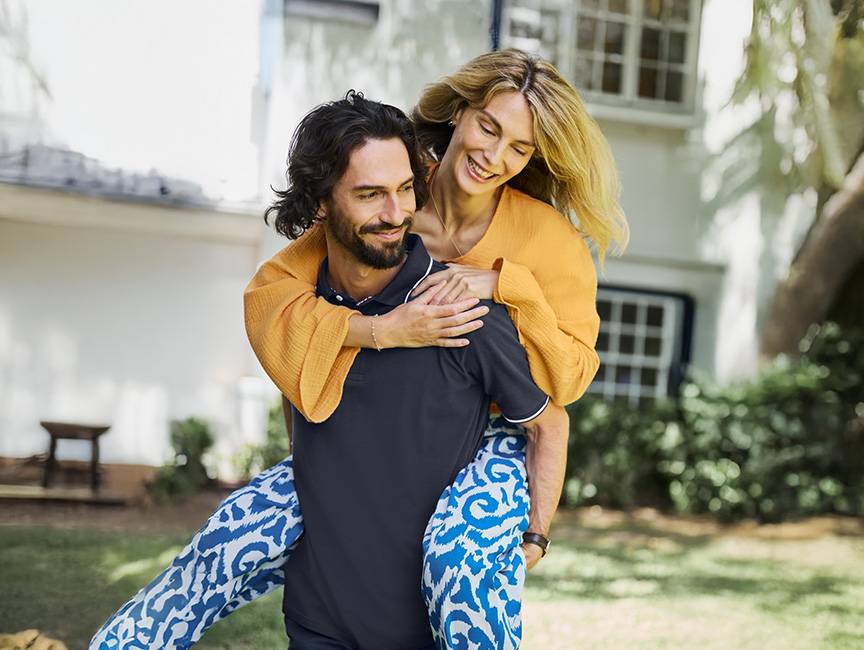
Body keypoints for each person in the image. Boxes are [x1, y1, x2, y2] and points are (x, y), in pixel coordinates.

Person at [92, 49, 627, 650]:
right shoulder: (389, 195)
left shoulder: (551, 241)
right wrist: (385, 330)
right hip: (373, 422)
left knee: (458, 566)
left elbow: (570, 380)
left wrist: (506, 283)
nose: (495, 155)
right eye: (488, 127)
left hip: (497, 430)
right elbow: (276, 303)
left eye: (520, 148)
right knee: (229, 538)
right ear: (460, 112)